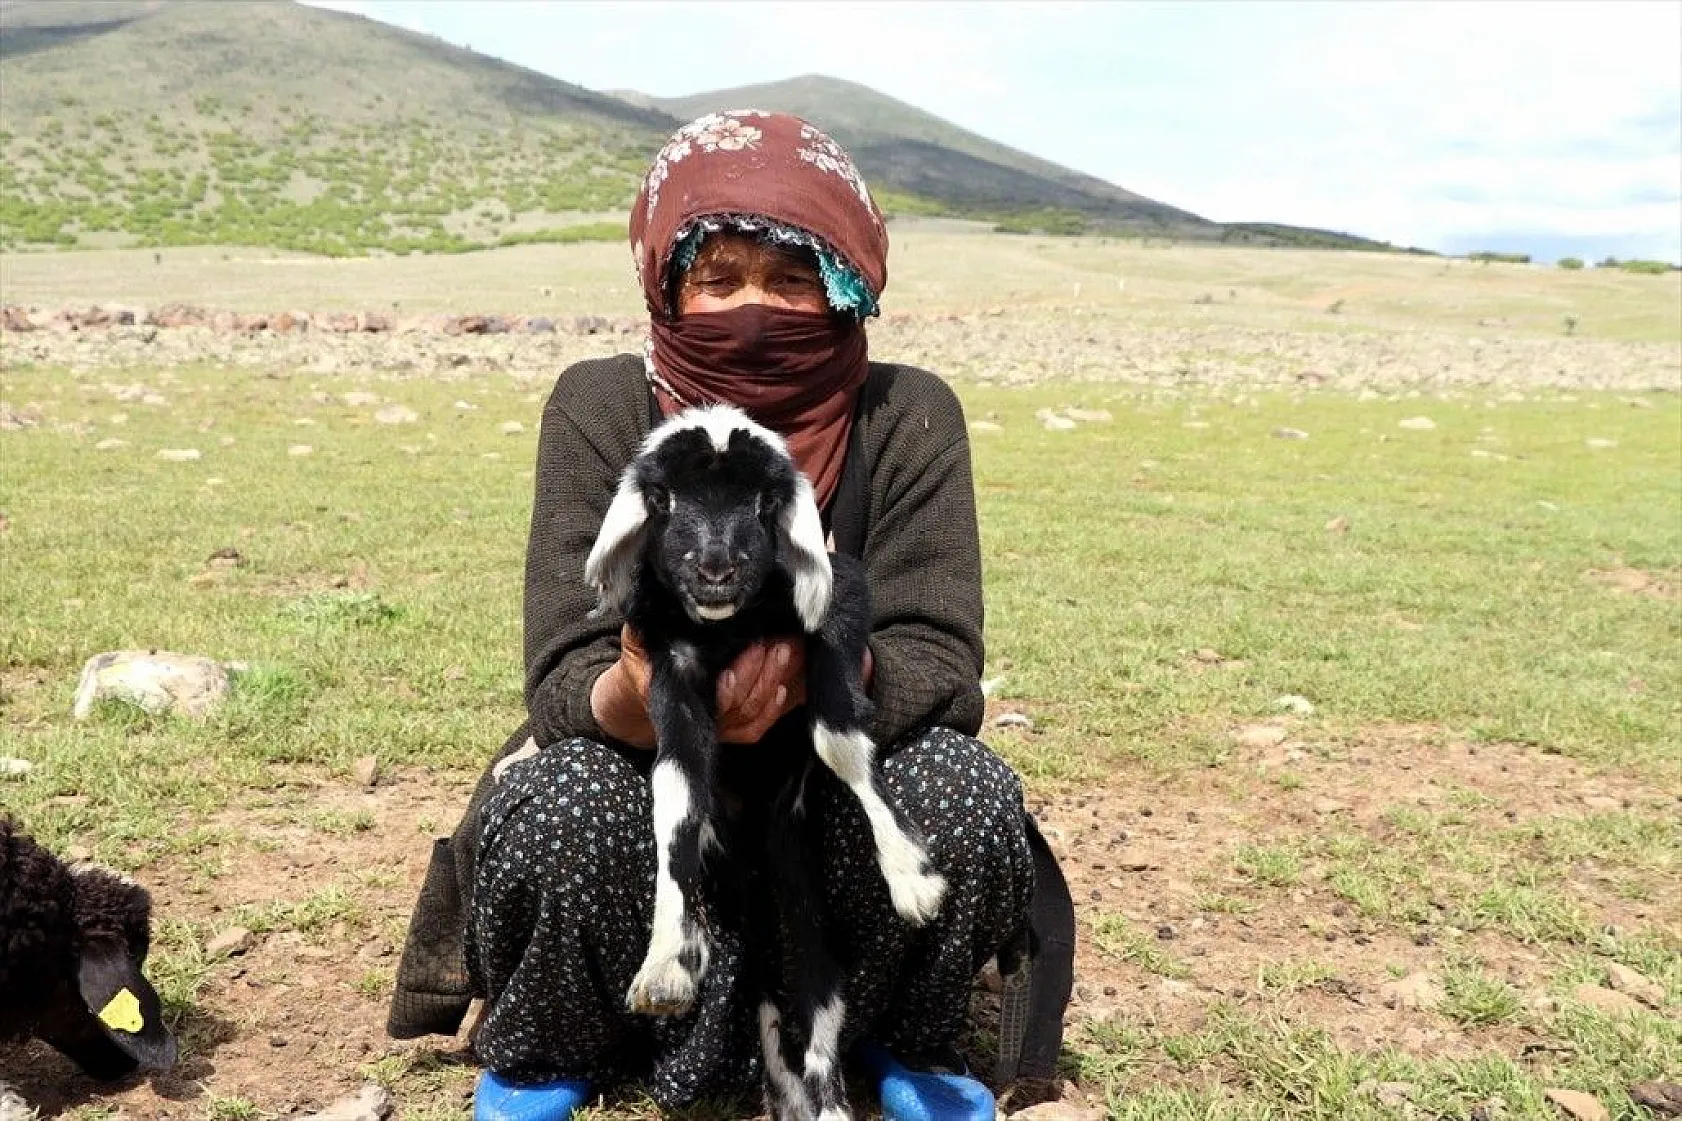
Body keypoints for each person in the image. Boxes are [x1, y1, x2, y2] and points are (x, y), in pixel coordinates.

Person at [386, 111, 1073, 1121]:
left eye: (793, 278)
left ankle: (892, 1038)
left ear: (850, 285)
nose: (756, 307)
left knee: (964, 795)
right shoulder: (601, 404)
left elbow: (942, 659)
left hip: (832, 761)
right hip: (648, 753)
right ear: (665, 286)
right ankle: (552, 1047)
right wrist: (641, 688)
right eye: (718, 278)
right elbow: (562, 670)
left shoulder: (908, 413)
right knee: (555, 803)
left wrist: (822, 673)